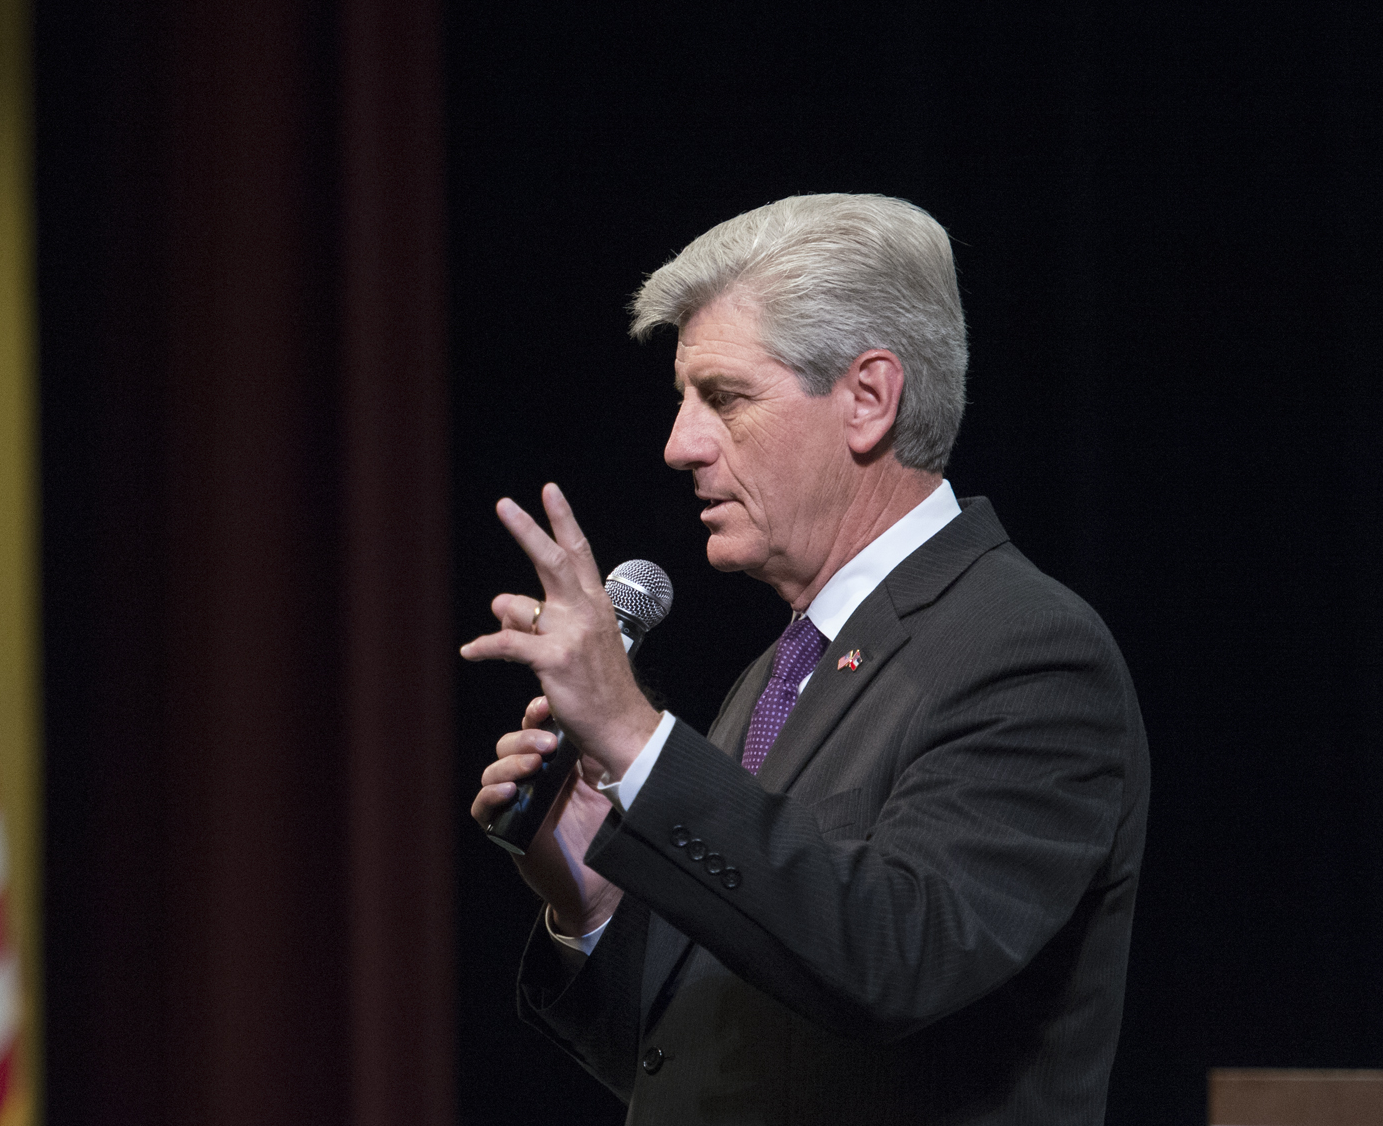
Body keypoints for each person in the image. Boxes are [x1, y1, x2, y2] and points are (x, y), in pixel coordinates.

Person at [463, 194, 1148, 1125]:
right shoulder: (788, 668)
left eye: (725, 397)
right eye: (681, 399)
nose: (678, 444)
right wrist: (594, 908)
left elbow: (894, 958)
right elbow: (714, 1062)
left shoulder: (1031, 654)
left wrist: (634, 735)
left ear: (867, 398)